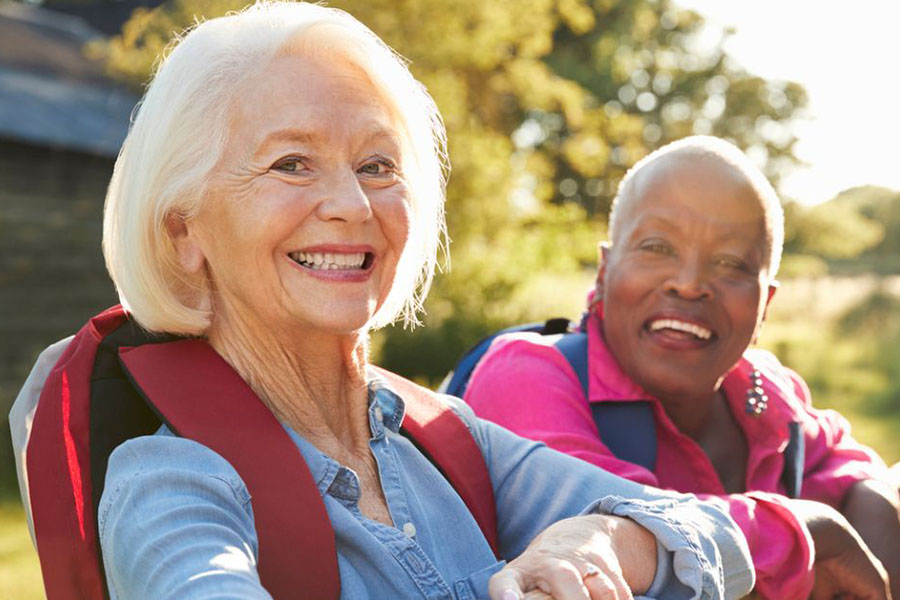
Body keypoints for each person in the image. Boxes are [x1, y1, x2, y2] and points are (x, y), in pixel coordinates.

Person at [10, 5, 757, 600]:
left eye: (377, 165)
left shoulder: (448, 438)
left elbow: (715, 536)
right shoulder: (168, 486)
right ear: (183, 232)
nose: (351, 205)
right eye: (292, 163)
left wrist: (597, 543)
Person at [464, 136, 900, 600]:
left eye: (730, 262)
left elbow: (844, 464)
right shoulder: (527, 375)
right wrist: (812, 532)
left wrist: (872, 504)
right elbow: (631, 540)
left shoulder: (764, 389)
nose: (690, 284)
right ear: (605, 271)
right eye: (656, 246)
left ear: (764, 305)